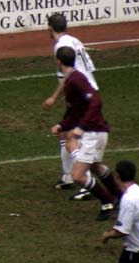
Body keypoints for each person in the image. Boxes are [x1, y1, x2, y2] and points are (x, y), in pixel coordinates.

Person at [50, 46, 121, 221]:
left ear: (58, 61)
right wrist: (62, 125)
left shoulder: (76, 80)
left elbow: (95, 101)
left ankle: (107, 200)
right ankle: (121, 196)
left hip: (93, 132)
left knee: (78, 176)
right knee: (96, 167)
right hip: (96, 130)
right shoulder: (71, 80)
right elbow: (75, 111)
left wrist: (82, 127)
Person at [42, 13, 97, 201]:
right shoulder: (75, 40)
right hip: (86, 90)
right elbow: (90, 67)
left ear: (50, 28)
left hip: (82, 94)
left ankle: (86, 182)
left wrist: (54, 98)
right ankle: (67, 177)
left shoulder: (61, 47)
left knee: (74, 136)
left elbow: (67, 77)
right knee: (66, 133)